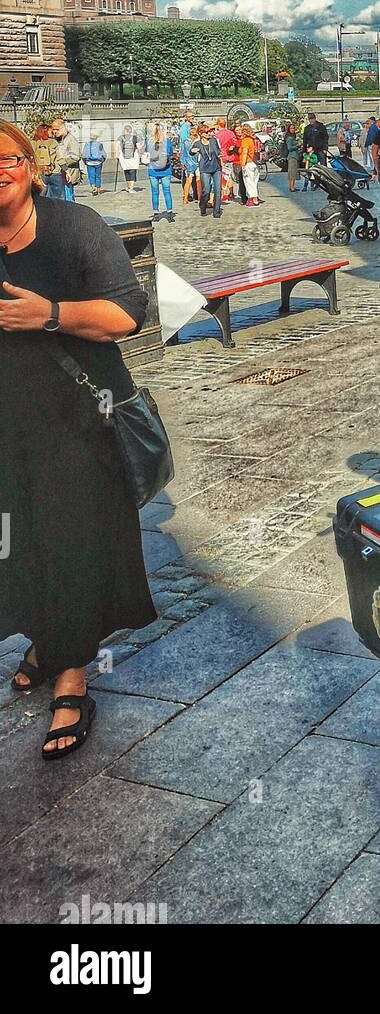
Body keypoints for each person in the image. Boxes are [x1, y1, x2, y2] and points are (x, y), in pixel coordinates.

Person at [0, 121, 154, 759]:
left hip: (77, 422)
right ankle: (45, 636)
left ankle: (73, 677)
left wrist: (49, 314)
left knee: (70, 544)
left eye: (5, 158)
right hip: (8, 427)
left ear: (30, 166)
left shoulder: (74, 227)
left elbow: (128, 313)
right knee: (18, 541)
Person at [145, 123, 175, 221]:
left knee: (155, 192)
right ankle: (170, 213)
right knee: (167, 191)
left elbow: (147, 153)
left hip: (153, 169)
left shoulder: (149, 142)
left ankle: (156, 213)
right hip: (165, 169)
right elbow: (170, 153)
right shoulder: (167, 141)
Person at [193, 123, 224, 218]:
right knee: (206, 190)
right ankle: (202, 206)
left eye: (209, 131)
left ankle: (217, 212)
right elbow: (191, 151)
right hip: (205, 169)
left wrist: (220, 156)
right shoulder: (197, 143)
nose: (209, 133)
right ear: (201, 133)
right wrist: (192, 151)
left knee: (218, 189)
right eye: (206, 132)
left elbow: (218, 151)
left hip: (216, 168)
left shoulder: (213, 141)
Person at [51, 119, 82, 203]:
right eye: (53, 129)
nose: (54, 131)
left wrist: (61, 162)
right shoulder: (56, 140)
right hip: (57, 174)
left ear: (63, 128)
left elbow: (76, 156)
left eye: (57, 129)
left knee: (68, 199)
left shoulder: (71, 140)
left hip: (68, 174)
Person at [32, 124, 62, 199]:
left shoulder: (33, 142)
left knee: (41, 196)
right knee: (57, 197)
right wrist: (66, 170)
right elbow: (59, 157)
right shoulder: (53, 142)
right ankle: (57, 210)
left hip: (39, 172)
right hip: (54, 171)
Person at [213, 117, 237, 203]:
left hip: (222, 157)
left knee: (223, 176)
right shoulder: (231, 133)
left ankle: (225, 194)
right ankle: (231, 192)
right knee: (229, 174)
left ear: (218, 124)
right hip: (230, 156)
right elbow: (235, 143)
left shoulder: (217, 135)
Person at [178, 109, 199, 206]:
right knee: (189, 179)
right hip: (189, 158)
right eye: (191, 116)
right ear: (186, 117)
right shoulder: (184, 128)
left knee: (192, 179)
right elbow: (184, 143)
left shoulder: (190, 126)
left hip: (190, 158)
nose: (192, 118)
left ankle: (195, 196)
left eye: (193, 116)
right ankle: (187, 196)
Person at [239, 124, 261, 206]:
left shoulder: (245, 141)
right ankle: (255, 198)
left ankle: (253, 199)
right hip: (255, 162)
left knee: (249, 182)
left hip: (248, 163)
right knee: (254, 182)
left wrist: (243, 164)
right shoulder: (253, 139)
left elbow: (245, 152)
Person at [116, 124, 141, 193]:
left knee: (126, 171)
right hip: (133, 158)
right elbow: (139, 148)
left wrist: (117, 155)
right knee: (132, 171)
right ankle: (131, 188)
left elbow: (117, 146)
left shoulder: (120, 137)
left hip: (124, 158)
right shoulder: (135, 138)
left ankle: (129, 186)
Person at [283, 121, 301, 193]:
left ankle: (292, 186)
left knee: (292, 172)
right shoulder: (289, 138)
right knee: (292, 172)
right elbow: (289, 148)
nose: (293, 129)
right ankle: (292, 187)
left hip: (294, 156)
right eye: (291, 128)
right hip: (292, 156)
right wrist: (298, 145)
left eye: (293, 128)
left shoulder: (292, 137)